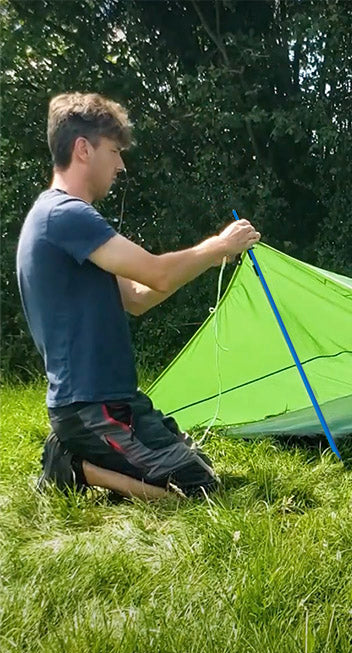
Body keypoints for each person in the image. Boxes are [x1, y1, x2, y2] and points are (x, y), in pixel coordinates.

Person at [16, 92, 261, 500]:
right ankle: (76, 466)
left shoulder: (64, 221)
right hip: (91, 407)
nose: (120, 164)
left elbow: (139, 296)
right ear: (82, 149)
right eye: (113, 151)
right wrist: (220, 246)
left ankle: (79, 455)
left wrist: (211, 256)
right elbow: (157, 274)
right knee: (198, 491)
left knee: (195, 461)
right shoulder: (65, 216)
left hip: (112, 399)